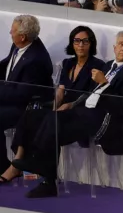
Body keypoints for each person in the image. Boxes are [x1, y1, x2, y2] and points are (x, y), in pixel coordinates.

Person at [13, 31, 123, 198]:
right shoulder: (108, 64)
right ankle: (42, 174)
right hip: (83, 113)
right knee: (33, 115)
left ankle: (41, 170)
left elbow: (122, 106)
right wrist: (71, 104)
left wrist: (104, 83)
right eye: (121, 44)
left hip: (105, 121)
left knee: (53, 121)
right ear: (114, 47)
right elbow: (89, 93)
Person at [0, 26, 104, 184]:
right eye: (77, 41)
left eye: (85, 41)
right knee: (30, 116)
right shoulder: (68, 63)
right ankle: (17, 162)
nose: (81, 45)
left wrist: (70, 105)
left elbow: (90, 95)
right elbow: (61, 89)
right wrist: (55, 105)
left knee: (50, 123)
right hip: (61, 111)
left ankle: (39, 167)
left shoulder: (97, 65)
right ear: (72, 43)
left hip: (78, 113)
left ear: (91, 44)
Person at [0, 15, 54, 174]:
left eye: (13, 30)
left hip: (28, 108)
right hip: (11, 99)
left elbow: (21, 94)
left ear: (23, 36)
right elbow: (7, 64)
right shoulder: (20, 44)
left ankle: (3, 167)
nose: (10, 32)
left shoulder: (36, 60)